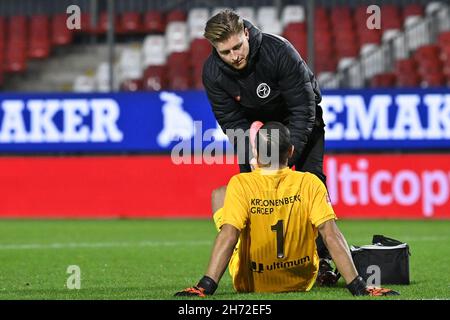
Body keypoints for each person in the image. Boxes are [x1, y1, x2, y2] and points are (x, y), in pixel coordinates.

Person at [175, 122, 399, 297]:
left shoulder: (241, 183)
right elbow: (331, 235)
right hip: (301, 281)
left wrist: (205, 286)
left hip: (251, 282)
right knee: (319, 225)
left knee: (220, 196)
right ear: (291, 151)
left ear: (256, 153)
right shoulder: (311, 182)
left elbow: (229, 235)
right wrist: (359, 287)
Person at [201, 9, 334, 284]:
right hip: (254, 132)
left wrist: (287, 152)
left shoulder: (279, 51)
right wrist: (252, 154)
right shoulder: (212, 73)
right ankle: (255, 260)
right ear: (215, 49)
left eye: (238, 46)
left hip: (300, 123)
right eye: (225, 52)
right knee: (249, 193)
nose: (235, 55)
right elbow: (231, 121)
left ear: (246, 33)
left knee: (313, 185)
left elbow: (303, 108)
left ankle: (322, 262)